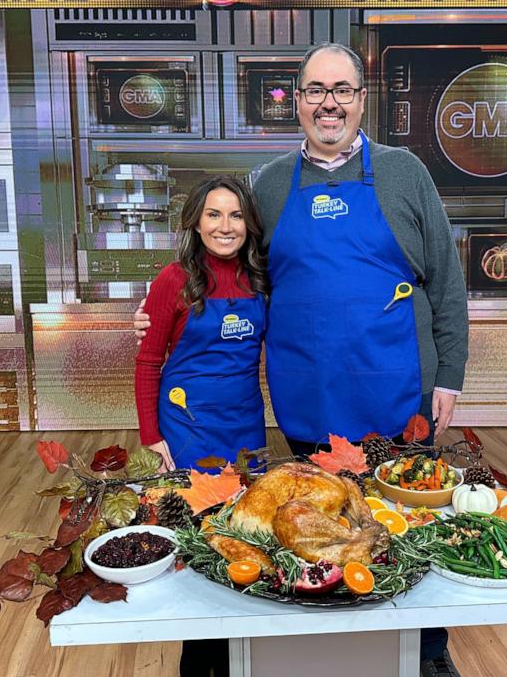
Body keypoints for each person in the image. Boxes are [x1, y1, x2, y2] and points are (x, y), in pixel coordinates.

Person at [136, 43, 468, 677]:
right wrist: (167, 307)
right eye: (316, 90)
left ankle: (427, 653)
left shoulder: (404, 173)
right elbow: (230, 266)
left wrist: (449, 375)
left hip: (398, 388)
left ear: (362, 98)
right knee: (308, 522)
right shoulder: (269, 183)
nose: (329, 103)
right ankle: (316, 650)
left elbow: (448, 283)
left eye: (342, 89)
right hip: (304, 394)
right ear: (297, 101)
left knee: (403, 521)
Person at [135, 174, 268, 473]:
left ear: (248, 224)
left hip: (245, 423)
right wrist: (151, 436)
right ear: (196, 222)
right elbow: (148, 362)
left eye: (236, 216)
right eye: (213, 215)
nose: (225, 227)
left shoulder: (261, 279)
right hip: (186, 424)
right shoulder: (173, 279)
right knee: (190, 512)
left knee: (248, 512)